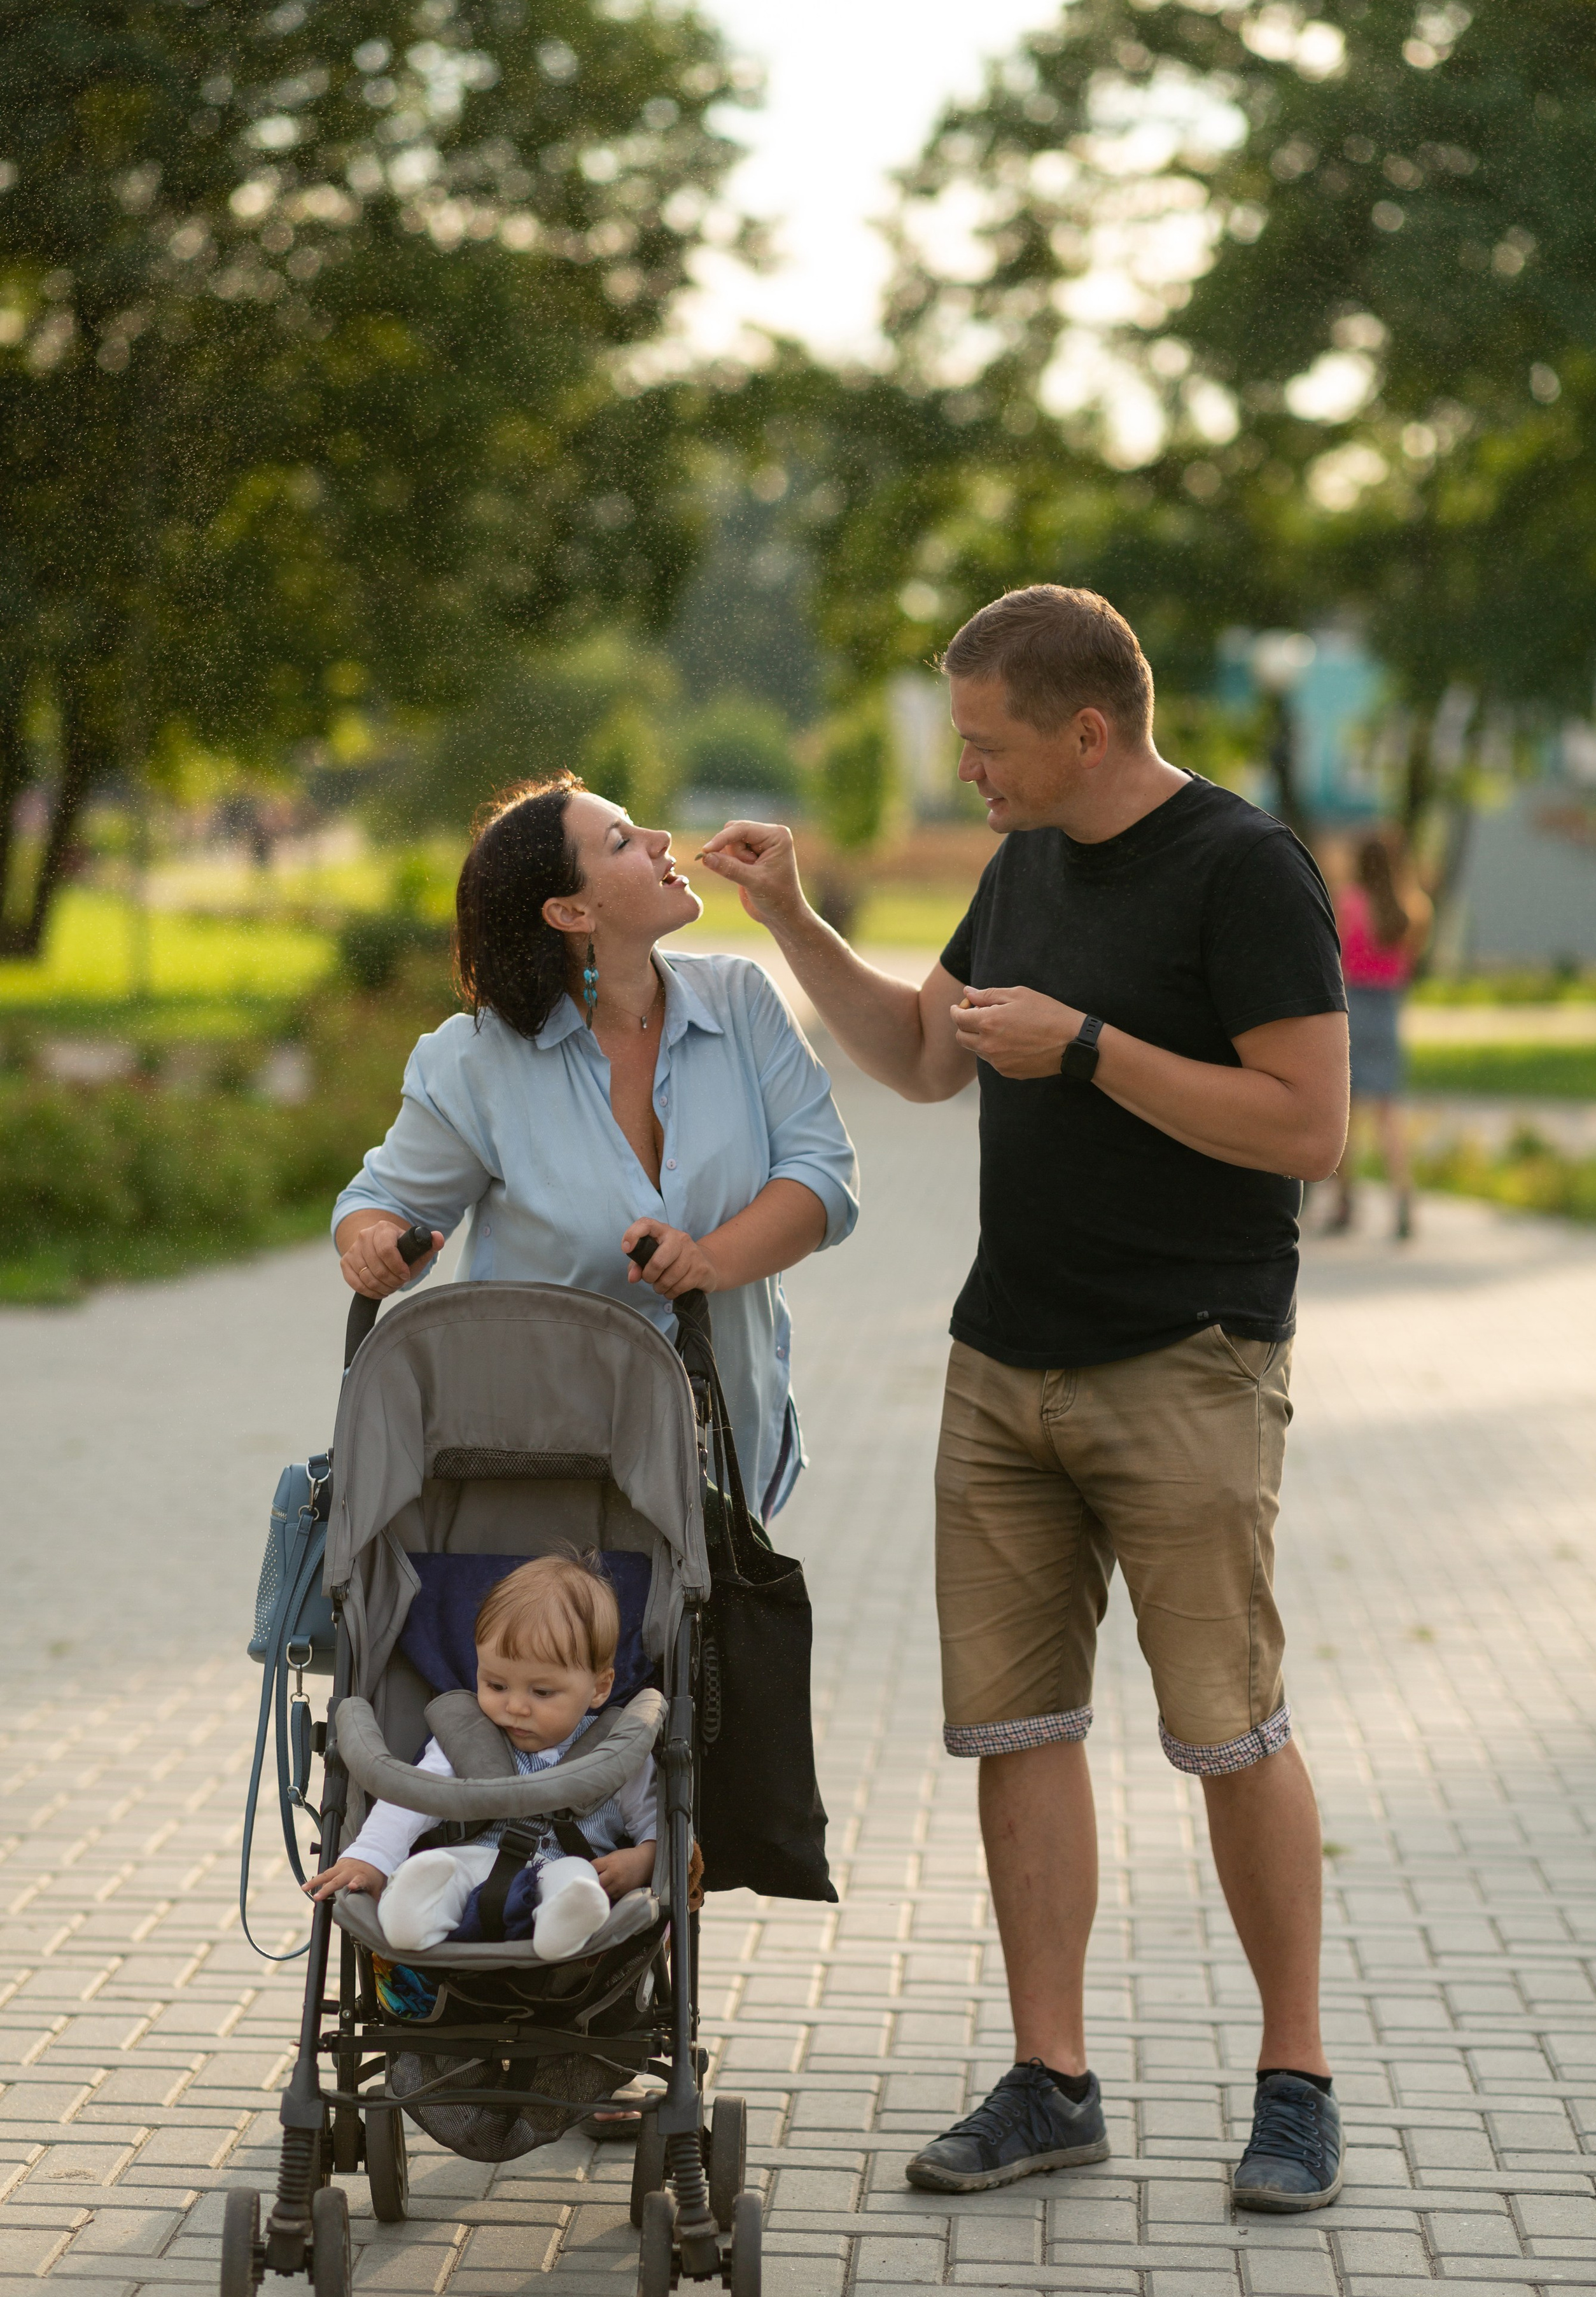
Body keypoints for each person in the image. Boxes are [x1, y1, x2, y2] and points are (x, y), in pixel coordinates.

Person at [698, 584, 1352, 2211]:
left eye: (986, 745)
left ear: (1083, 727)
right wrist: (791, 922)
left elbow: (1304, 1127)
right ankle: (1049, 2076)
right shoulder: (1023, 863)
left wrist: (1086, 1049)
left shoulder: (1241, 868)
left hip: (1187, 1358)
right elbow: (923, 1056)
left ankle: (1294, 2079)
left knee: (1226, 1727)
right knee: (1014, 1725)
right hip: (1003, 1363)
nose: (966, 771)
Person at [332, 775, 858, 1522]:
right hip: (538, 1471)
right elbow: (377, 1206)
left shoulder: (743, 1003)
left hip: (726, 1459)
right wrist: (377, 1246)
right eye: (622, 841)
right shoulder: (476, 1061)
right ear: (570, 911)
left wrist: (706, 1262)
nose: (660, 841)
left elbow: (823, 1178)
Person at [304, 1556, 657, 1960]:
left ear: (599, 1688)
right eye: (496, 1684)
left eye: (542, 1693)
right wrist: (370, 1858)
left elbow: (653, 1819)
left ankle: (567, 1920)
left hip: (566, 1864)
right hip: (472, 1858)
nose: (516, 1707)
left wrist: (643, 1859)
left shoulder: (616, 1747)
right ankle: (409, 1915)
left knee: (575, 1881)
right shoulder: (469, 1736)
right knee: (437, 1869)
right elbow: (411, 1802)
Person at [1327, 832, 1432, 1241]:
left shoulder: (1349, 903)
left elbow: (1333, 955)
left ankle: (1345, 1201)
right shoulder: (1412, 907)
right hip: (1388, 1009)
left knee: (1347, 1111)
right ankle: (1403, 1197)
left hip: (1353, 1008)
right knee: (1389, 1111)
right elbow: (1412, 960)